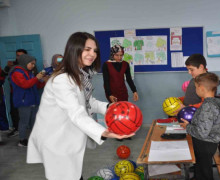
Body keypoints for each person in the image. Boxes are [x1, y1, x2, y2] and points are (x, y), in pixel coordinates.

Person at [27, 32, 134, 180]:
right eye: (87, 49)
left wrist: (111, 107)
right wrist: (105, 132)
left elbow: (88, 102)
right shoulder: (62, 80)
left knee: (75, 175)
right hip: (57, 141)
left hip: (69, 139)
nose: (92, 54)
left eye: (94, 50)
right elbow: (76, 113)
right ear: (74, 49)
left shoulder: (80, 74)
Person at [180, 72, 220, 180]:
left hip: (205, 143)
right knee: (200, 166)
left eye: (196, 87)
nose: (195, 90)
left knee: (204, 170)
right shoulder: (211, 103)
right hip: (207, 141)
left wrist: (188, 127)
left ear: (202, 88)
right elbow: (204, 124)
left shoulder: (208, 106)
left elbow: (202, 132)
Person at [9, 54, 47, 147]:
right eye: (31, 64)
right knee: (24, 122)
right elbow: (25, 85)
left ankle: (34, 139)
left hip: (33, 100)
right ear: (25, 62)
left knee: (34, 121)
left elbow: (36, 86)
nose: (33, 66)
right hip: (23, 102)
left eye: (34, 64)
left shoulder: (29, 72)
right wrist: (36, 78)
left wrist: (44, 81)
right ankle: (22, 140)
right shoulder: (17, 73)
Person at [5, 49, 28, 137]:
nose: (19, 57)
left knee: (28, 112)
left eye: (21, 55)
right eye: (17, 55)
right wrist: (7, 67)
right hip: (14, 92)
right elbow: (4, 74)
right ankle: (16, 128)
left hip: (26, 93)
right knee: (14, 112)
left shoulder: (30, 64)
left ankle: (28, 128)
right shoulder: (12, 65)